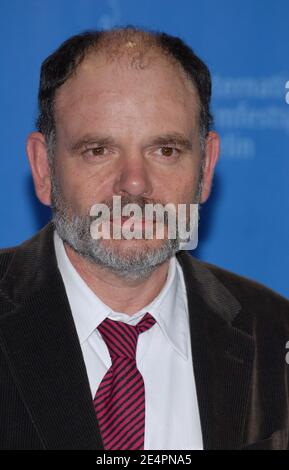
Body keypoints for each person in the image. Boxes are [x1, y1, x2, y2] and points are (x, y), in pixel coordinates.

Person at [0, 27, 288, 451]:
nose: (134, 184)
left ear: (206, 167)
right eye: (99, 150)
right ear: (44, 168)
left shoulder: (275, 336)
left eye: (165, 151)